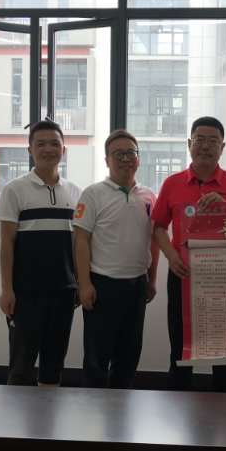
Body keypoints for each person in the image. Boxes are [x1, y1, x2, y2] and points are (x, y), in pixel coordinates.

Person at [152, 116, 226, 392]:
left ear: (222, 147)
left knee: (223, 351)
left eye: (212, 141)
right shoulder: (172, 183)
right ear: (189, 144)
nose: (205, 146)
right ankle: (178, 406)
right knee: (181, 348)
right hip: (183, 274)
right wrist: (171, 256)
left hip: (224, 278)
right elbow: (158, 226)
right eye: (199, 139)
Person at [0, 120, 81, 386]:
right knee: (21, 367)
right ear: (30, 150)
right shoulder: (14, 190)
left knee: (53, 366)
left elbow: (79, 244)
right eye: (41, 144)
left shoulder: (75, 192)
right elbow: (7, 243)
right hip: (26, 293)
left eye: (55, 144)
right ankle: (15, 415)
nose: (48, 149)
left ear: (64, 150)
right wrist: (7, 289)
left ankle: (48, 412)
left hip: (64, 292)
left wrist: (80, 283)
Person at [73, 130, 159, 389]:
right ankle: (95, 407)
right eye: (118, 153)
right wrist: (84, 283)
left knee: (129, 355)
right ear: (107, 160)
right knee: (97, 357)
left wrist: (152, 280)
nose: (125, 158)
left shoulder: (149, 196)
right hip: (102, 287)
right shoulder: (93, 194)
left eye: (131, 153)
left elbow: (154, 241)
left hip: (137, 285)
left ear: (138, 159)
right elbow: (81, 240)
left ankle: (122, 406)